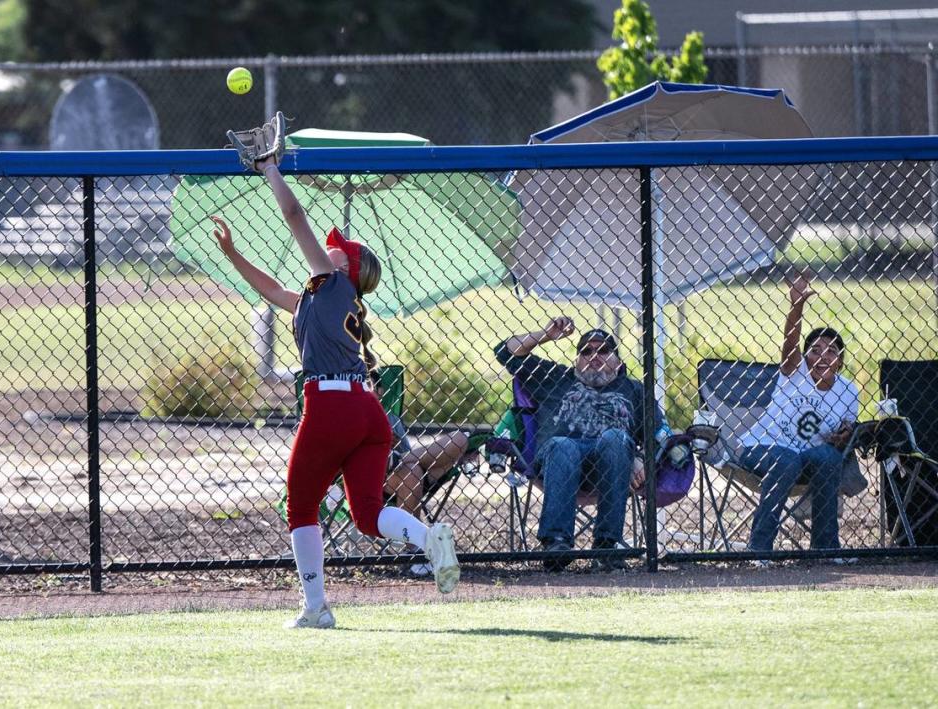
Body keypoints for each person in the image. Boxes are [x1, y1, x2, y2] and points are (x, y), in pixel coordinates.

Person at [209, 150, 459, 630]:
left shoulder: (335, 285)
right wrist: (233, 254)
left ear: (346, 269)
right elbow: (274, 291)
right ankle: (430, 540)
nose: (331, 248)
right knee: (367, 516)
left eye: (339, 249)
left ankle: (316, 608)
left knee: (301, 506)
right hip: (366, 413)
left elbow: (294, 215)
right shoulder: (319, 297)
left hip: (330, 409)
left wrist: (269, 168)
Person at [495, 316, 676, 571]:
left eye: (604, 350)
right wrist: (546, 335)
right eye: (586, 351)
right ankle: (556, 544)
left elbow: (661, 433)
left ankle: (606, 547)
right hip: (559, 463)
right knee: (564, 445)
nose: (595, 355)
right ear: (576, 360)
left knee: (616, 438)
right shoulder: (556, 377)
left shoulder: (635, 390)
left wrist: (642, 458)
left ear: (619, 361)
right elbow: (505, 351)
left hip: (613, 465)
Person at [739, 273, 859, 558]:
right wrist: (797, 306)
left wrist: (844, 437)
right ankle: (759, 548)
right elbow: (791, 342)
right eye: (815, 351)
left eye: (831, 352)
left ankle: (826, 548)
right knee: (787, 459)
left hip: (805, 458)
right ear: (804, 357)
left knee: (829, 457)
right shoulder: (794, 373)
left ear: (840, 362)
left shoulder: (848, 391)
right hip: (761, 448)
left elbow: (847, 431)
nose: (822, 357)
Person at [371, 372, 470, 576]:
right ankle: (413, 550)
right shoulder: (346, 415)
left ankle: (395, 459)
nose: (365, 389)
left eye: (369, 385)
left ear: (380, 391)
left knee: (459, 439)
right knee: (411, 470)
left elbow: (407, 450)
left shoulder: (389, 416)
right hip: (376, 481)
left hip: (408, 468)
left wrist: (397, 451)